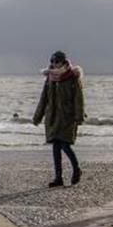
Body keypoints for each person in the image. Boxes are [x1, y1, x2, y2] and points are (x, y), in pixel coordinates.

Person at [32, 51, 84, 187]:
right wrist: (38, 116)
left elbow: (78, 98)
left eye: (57, 62)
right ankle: (58, 177)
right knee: (55, 146)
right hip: (53, 116)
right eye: (52, 62)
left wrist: (79, 116)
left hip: (67, 116)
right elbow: (44, 98)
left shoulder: (73, 76)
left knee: (65, 145)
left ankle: (76, 169)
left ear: (63, 62)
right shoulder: (50, 78)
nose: (54, 64)